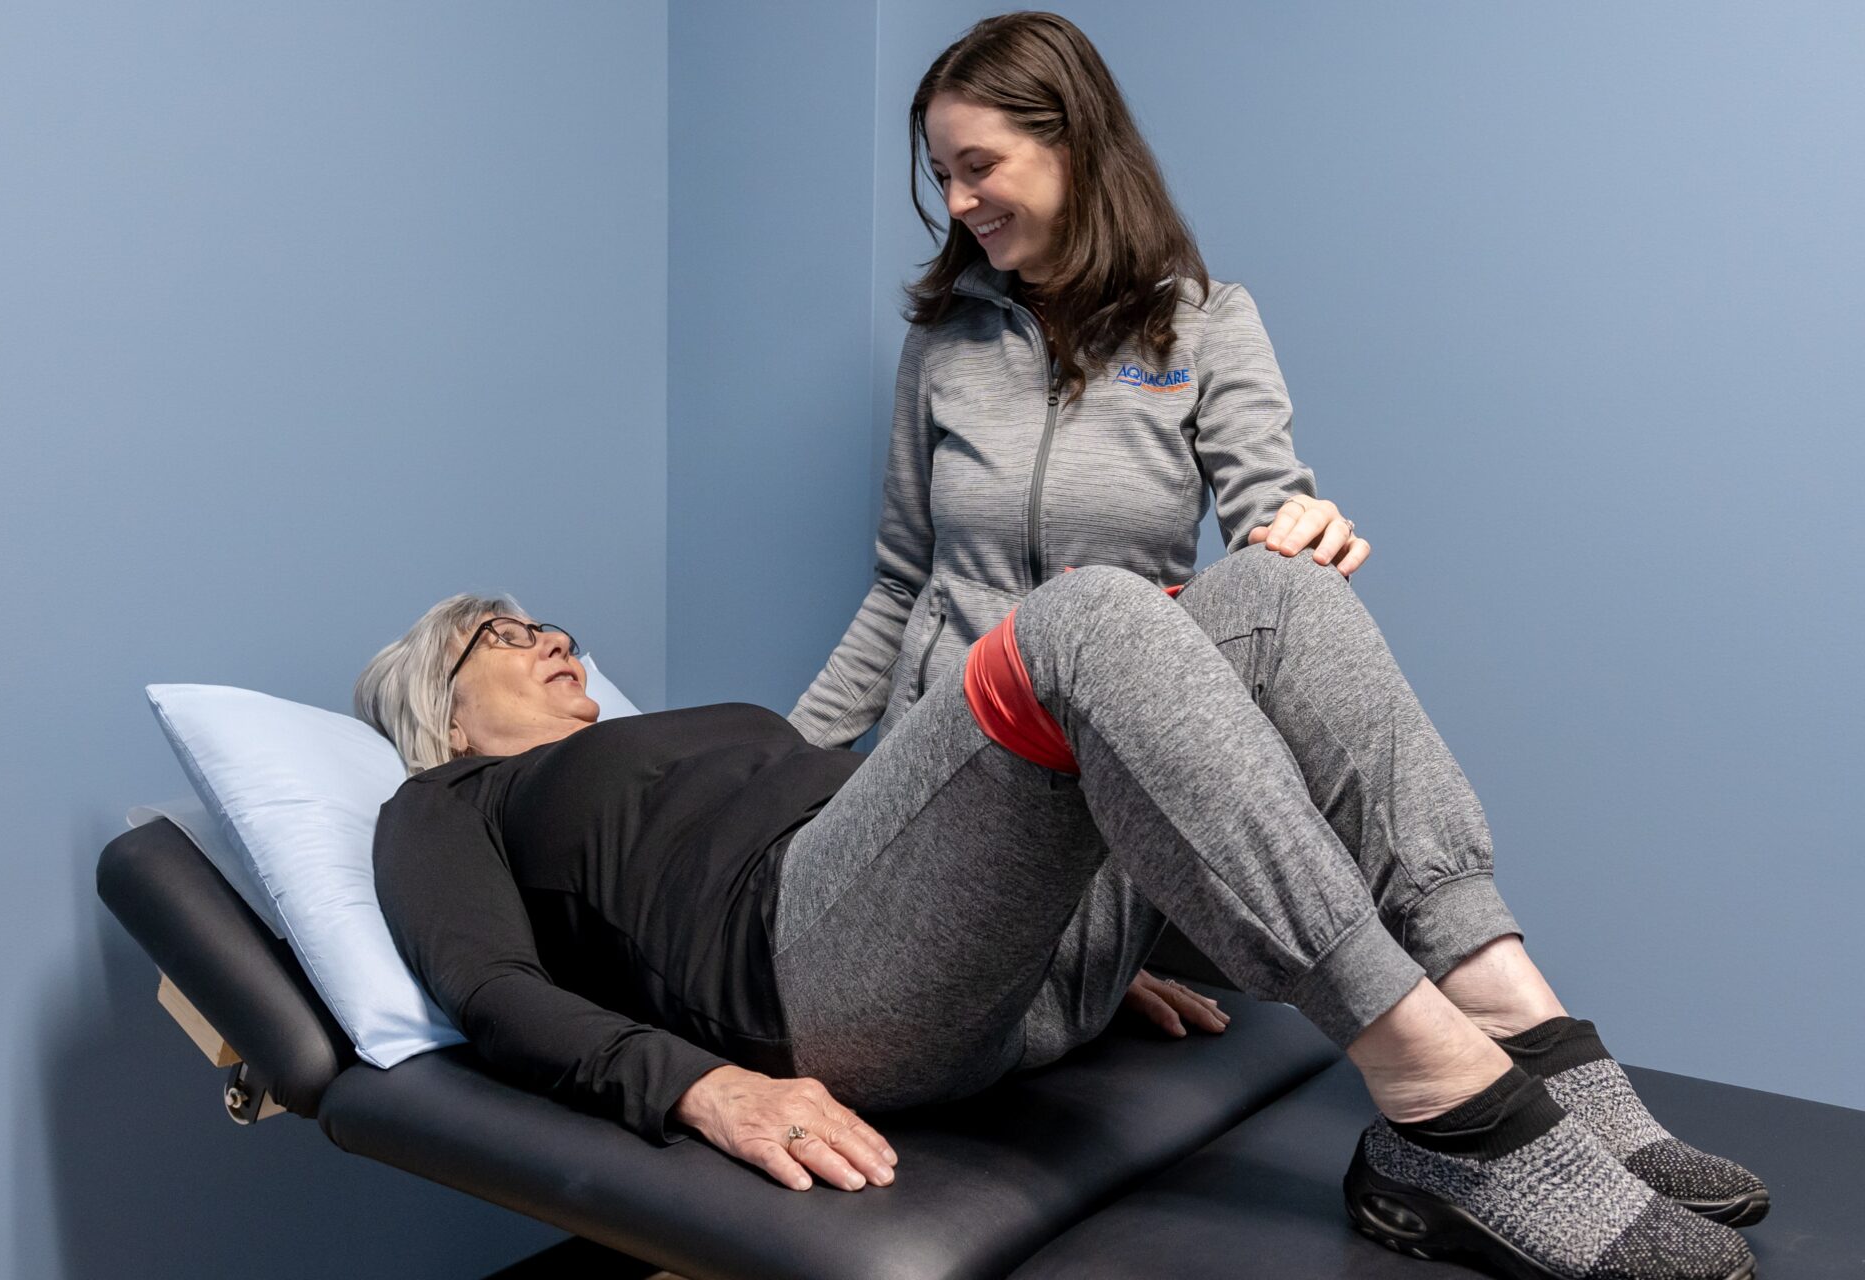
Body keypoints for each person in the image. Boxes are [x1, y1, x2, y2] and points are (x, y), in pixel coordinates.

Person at [357, 552, 1766, 1280]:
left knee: (1276, 595)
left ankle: (1515, 1018)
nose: (548, 639)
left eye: (545, 623)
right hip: (816, 985)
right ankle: (1450, 1120)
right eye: (500, 635)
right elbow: (485, 989)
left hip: (940, 947)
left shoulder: (684, 728)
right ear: (438, 710)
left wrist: (1070, 927)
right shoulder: (441, 810)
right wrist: (704, 1088)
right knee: (1081, 618)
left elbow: (916, 827)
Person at [787, 10, 1366, 1038]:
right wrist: (781, 763)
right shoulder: (945, 343)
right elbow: (895, 587)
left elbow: (1267, 520)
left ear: (1071, 143)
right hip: (939, 765)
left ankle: (1462, 1028)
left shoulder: (1205, 323)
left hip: (1098, 798)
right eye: (942, 173)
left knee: (1038, 1008)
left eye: (979, 165)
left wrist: (1305, 526)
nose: (959, 203)